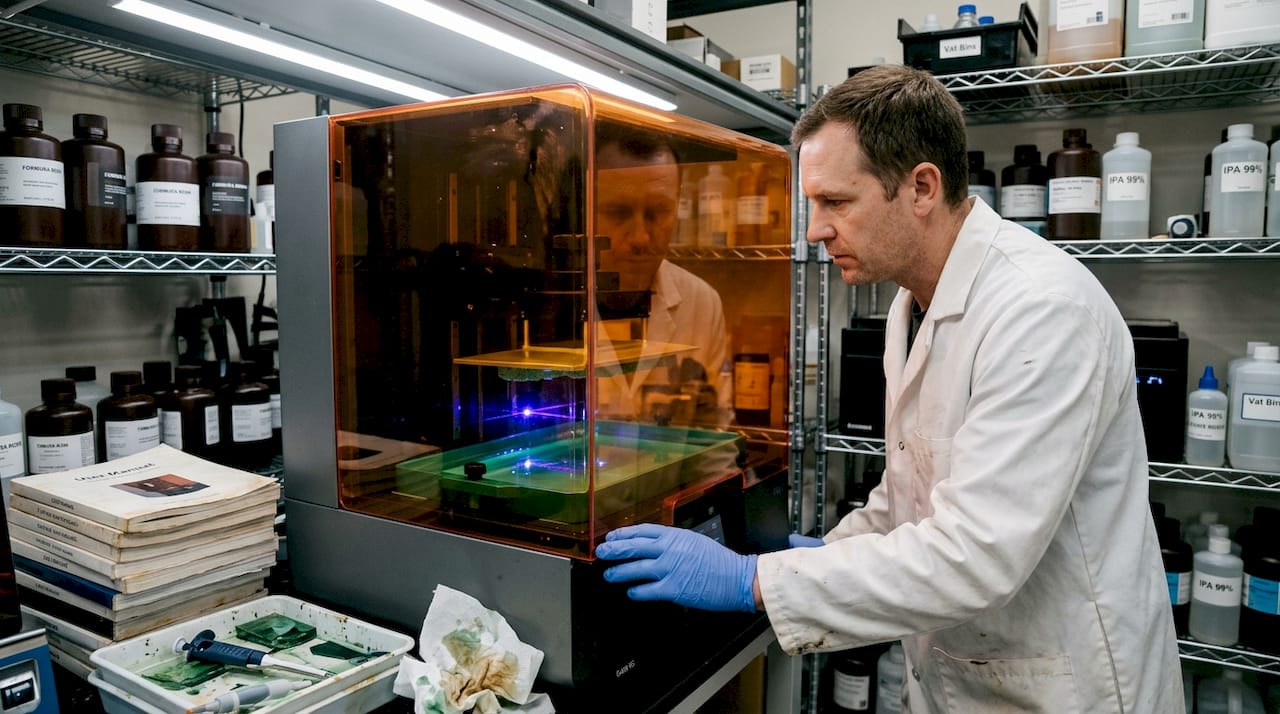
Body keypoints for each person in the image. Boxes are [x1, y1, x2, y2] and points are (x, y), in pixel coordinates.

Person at [595, 65, 1183, 712]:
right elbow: (912, 491)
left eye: (836, 202)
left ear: (921, 187)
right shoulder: (912, 305)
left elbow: (975, 556)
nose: (815, 229)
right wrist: (831, 550)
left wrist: (754, 580)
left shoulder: (1041, 311)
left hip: (1066, 685)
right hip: (967, 671)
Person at [592, 126, 730, 427]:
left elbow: (714, 444)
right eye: (618, 212)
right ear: (585, 207)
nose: (641, 237)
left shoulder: (701, 302)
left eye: (658, 212)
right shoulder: (548, 305)